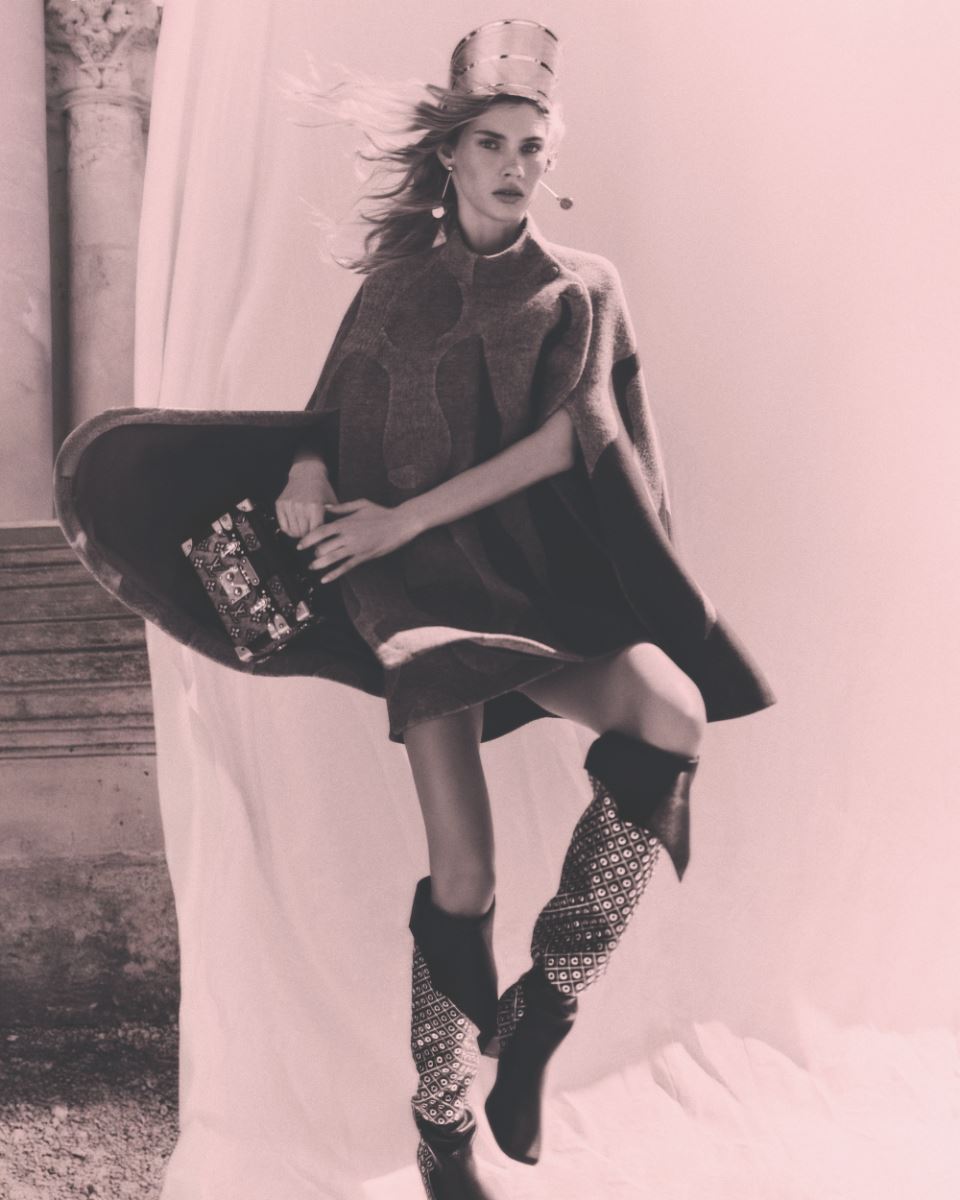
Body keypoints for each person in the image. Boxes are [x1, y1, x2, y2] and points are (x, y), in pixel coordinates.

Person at [54, 18, 774, 1200]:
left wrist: (406, 516)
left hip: (531, 584)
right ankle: (443, 1125)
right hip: (420, 606)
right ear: (449, 153)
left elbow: (573, 441)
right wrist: (307, 481)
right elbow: (321, 427)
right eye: (490, 142)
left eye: (531, 145)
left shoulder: (581, 287)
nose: (513, 164)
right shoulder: (394, 291)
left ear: (550, 157)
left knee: (672, 712)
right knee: (463, 878)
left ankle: (544, 1006)